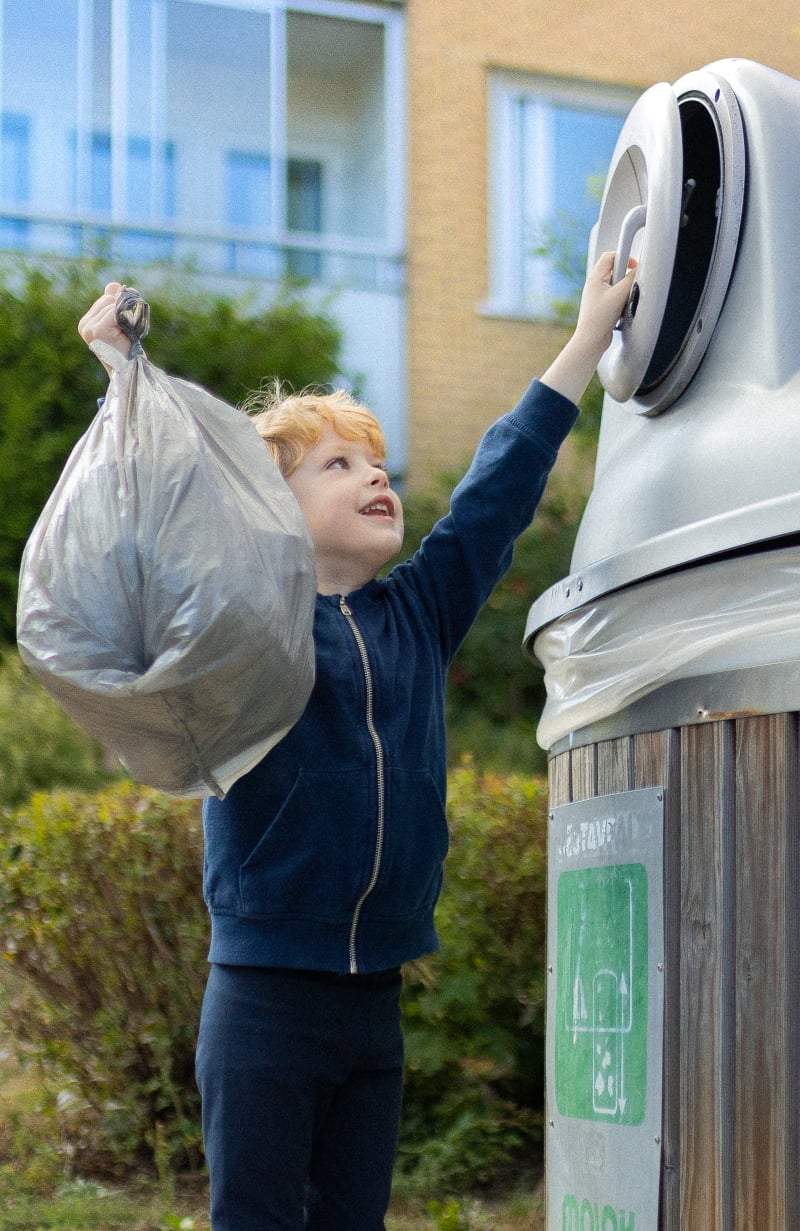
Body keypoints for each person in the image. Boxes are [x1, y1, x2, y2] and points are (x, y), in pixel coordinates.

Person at [78, 250, 635, 1231]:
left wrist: (585, 339)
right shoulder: (246, 621)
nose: (373, 474)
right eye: (335, 464)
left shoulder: (418, 611)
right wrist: (126, 374)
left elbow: (495, 491)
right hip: (262, 1002)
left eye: (374, 460)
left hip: (372, 1002)